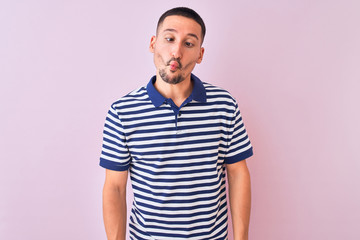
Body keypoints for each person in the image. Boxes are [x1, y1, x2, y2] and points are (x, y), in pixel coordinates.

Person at [100, 7, 253, 240]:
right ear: (153, 43)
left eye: (188, 44)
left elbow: (238, 173)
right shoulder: (122, 112)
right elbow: (115, 187)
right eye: (169, 39)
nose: (176, 51)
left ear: (200, 54)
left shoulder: (224, 105)